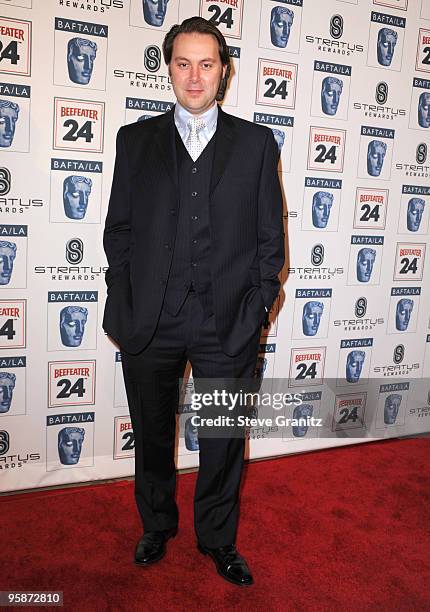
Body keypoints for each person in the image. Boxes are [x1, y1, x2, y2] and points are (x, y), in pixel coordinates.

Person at [103, 16, 285, 586]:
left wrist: (257, 307)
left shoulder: (256, 143)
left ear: (223, 71)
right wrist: (125, 297)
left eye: (207, 63)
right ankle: (157, 524)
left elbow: (269, 238)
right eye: (183, 63)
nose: (195, 75)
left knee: (224, 439)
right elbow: (120, 230)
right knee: (151, 429)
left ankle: (218, 538)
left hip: (226, 319)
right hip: (150, 320)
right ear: (169, 69)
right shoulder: (136, 140)